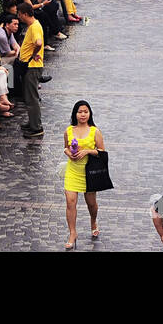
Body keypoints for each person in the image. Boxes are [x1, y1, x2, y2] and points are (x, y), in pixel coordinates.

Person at [62, 100, 105, 249]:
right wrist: (69, 154)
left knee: (91, 204)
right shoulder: (69, 130)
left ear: (89, 114)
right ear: (75, 114)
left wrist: (87, 151)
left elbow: (102, 152)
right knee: (70, 202)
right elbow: (66, 148)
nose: (83, 114)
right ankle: (72, 233)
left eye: (85, 112)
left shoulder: (95, 131)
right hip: (72, 171)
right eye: (80, 112)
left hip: (89, 173)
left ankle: (93, 221)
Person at [16, 2, 46, 139]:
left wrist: (32, 55)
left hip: (32, 67)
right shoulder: (34, 26)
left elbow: (38, 43)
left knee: (32, 98)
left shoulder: (34, 27)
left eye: (20, 14)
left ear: (25, 14)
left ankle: (36, 128)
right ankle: (32, 122)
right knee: (29, 97)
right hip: (30, 66)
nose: (18, 17)